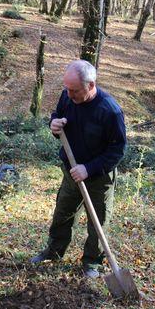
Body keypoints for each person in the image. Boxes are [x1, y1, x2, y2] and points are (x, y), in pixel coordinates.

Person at [30, 60, 127, 279]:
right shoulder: (67, 96)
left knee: (98, 221)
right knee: (63, 212)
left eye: (74, 90)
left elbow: (118, 150)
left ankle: (92, 261)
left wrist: (89, 168)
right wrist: (54, 124)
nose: (69, 94)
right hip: (71, 170)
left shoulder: (110, 111)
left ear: (91, 85)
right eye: (67, 89)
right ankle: (54, 251)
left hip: (99, 176)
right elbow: (58, 116)